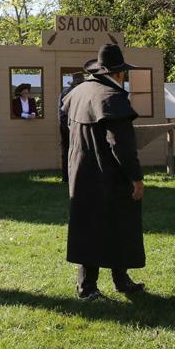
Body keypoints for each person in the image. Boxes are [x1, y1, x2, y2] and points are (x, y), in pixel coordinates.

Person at [62, 44, 146, 300]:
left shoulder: (78, 92)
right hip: (109, 174)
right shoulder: (112, 97)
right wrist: (136, 178)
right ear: (118, 73)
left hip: (80, 171)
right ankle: (90, 287)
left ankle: (113, 280)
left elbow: (66, 130)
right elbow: (121, 145)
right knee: (117, 224)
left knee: (90, 225)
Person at [58, 70, 87, 183]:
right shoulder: (76, 93)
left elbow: (61, 113)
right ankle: (75, 177)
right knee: (78, 151)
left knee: (66, 152)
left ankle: (66, 177)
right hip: (74, 125)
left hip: (65, 125)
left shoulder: (64, 92)